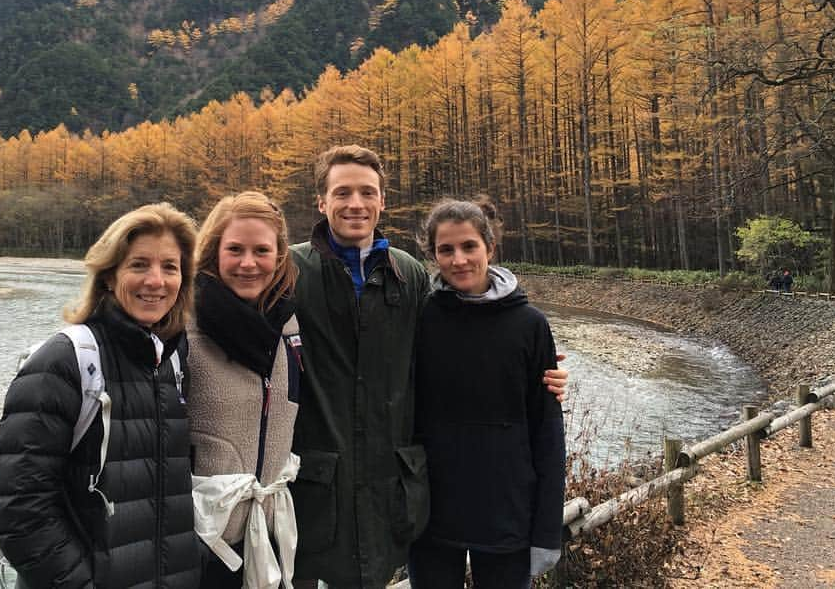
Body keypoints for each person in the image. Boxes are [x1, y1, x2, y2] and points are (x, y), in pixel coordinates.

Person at [287, 145, 568, 589]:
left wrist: (544, 372)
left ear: (383, 201)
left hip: (436, 496)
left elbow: (468, 339)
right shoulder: (290, 269)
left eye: (367, 192)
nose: (355, 203)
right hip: (339, 492)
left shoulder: (406, 276)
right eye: (342, 192)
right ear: (321, 202)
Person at [0, 203, 202, 589]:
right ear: (108, 276)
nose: (156, 280)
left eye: (170, 267)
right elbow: (21, 513)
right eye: (139, 265)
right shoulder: (64, 360)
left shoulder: (170, 361)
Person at [408, 198, 565, 589]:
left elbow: (547, 431)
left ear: (490, 249)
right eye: (446, 250)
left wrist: (546, 530)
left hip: (507, 511)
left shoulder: (530, 325)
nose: (459, 259)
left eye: (469, 246)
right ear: (432, 255)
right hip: (432, 512)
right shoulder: (419, 319)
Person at [188, 192, 304, 589]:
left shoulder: (288, 324)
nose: (248, 263)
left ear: (280, 255)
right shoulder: (184, 324)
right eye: (234, 249)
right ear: (213, 251)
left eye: (261, 250)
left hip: (266, 527)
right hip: (199, 537)